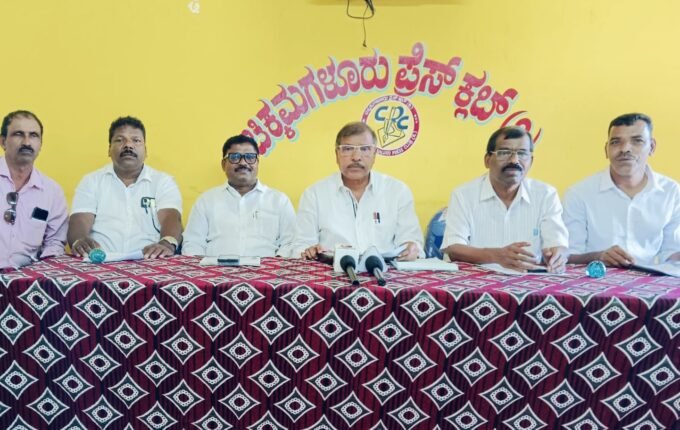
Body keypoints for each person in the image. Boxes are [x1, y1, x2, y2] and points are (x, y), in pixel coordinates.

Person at [286, 122, 423, 260]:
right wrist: (308, 251)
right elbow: (301, 246)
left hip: (385, 270)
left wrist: (412, 248)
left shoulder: (397, 192)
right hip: (331, 270)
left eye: (365, 149)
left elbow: (411, 241)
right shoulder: (314, 194)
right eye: (347, 149)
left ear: (374, 154)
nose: (356, 157)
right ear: (337, 154)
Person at [442, 126, 568, 273]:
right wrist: (496, 256)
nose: (514, 160)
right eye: (504, 152)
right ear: (487, 160)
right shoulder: (464, 195)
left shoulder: (546, 195)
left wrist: (557, 255)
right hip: (476, 279)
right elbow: (453, 248)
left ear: (531, 161)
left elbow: (557, 243)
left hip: (528, 280)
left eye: (522, 153)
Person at [563, 113, 680, 266]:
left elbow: (672, 253)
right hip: (595, 277)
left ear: (651, 147)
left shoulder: (671, 192)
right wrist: (598, 257)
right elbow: (568, 255)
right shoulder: (579, 194)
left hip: (649, 279)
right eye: (616, 142)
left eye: (637, 141)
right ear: (606, 150)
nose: (625, 149)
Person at [68, 116, 182, 259]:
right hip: (100, 260)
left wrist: (166, 243)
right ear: (109, 150)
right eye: (120, 140)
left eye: (136, 140)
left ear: (146, 151)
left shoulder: (163, 182)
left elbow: (171, 217)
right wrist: (79, 240)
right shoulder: (91, 181)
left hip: (150, 261)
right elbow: (80, 220)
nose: (128, 145)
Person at [182, 135, 295, 257]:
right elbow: (193, 243)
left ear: (257, 163)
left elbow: (290, 242)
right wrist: (204, 266)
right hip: (215, 267)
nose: (243, 163)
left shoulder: (279, 201)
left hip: (268, 268)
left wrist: (274, 265)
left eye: (250, 157)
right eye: (235, 157)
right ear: (223, 164)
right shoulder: (206, 200)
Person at [0, 110, 68, 268]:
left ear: (40, 144)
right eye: (18, 134)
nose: (26, 142)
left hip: (25, 278)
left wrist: (41, 272)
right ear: (3, 142)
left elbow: (55, 242)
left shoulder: (52, 192)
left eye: (33, 135)